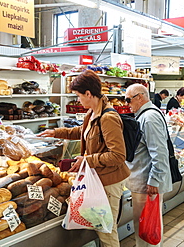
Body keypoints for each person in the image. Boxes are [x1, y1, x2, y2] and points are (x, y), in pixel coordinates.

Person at [37, 70, 130, 247]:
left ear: (88, 93)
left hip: (109, 181)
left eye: (79, 96)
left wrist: (87, 160)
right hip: (98, 179)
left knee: (107, 231)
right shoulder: (92, 113)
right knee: (101, 228)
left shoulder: (108, 117)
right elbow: (82, 132)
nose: (78, 100)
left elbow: (118, 155)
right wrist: (56, 132)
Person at [124, 84, 172, 247]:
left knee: (147, 228)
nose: (127, 104)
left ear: (139, 97)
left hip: (146, 183)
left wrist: (154, 180)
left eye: (128, 100)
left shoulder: (149, 117)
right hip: (143, 181)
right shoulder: (145, 115)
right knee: (146, 227)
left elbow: (159, 152)